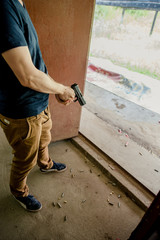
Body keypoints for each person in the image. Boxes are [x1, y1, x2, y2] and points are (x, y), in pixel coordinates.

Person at [0, 0, 75, 212]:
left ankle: (46, 165)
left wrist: (53, 89)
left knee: (44, 139)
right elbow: (27, 75)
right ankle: (18, 191)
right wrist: (61, 89)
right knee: (25, 158)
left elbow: (35, 62)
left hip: (38, 100)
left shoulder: (19, 4)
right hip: (20, 109)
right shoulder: (4, 8)